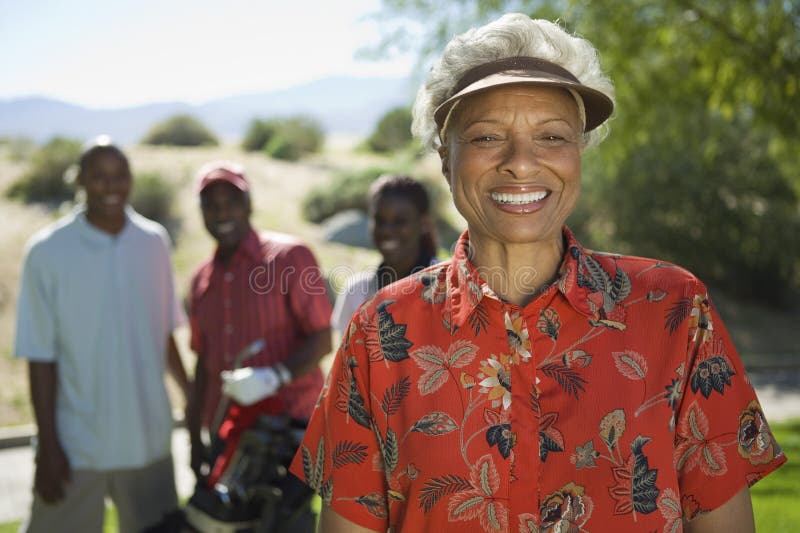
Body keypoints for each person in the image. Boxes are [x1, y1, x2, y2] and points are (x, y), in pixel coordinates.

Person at [288, 14, 786, 533]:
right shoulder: (379, 333)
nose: (521, 163)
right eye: (485, 137)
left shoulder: (674, 311)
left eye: (551, 136)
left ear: (579, 154)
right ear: (444, 158)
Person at [14, 136, 190, 533]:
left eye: (120, 175)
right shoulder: (47, 251)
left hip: (148, 441)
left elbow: (164, 333)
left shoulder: (153, 242)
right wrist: (49, 447)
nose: (111, 187)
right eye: (99, 177)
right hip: (76, 448)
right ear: (79, 181)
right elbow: (39, 355)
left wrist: (192, 398)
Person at [186, 161, 332, 484]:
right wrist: (196, 438)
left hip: (288, 433)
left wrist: (273, 376)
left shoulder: (288, 258)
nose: (222, 214)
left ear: (249, 205)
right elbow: (202, 363)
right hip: (227, 433)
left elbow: (322, 338)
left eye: (231, 203)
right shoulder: (200, 280)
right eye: (211, 206)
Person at [331, 174, 438, 337]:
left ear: (423, 224)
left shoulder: (449, 291)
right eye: (380, 220)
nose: (387, 230)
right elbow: (347, 359)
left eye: (400, 221)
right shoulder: (357, 291)